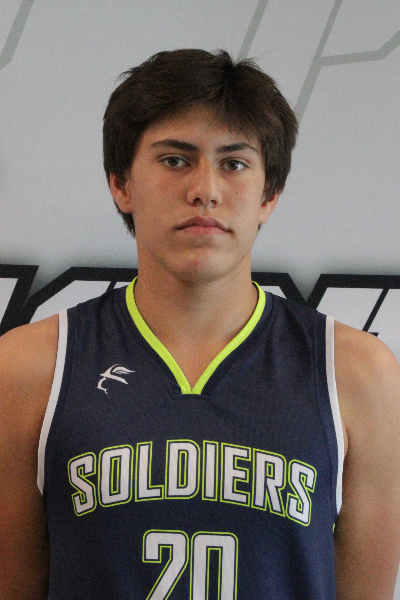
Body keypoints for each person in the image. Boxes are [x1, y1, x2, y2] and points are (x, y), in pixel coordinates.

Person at [1, 48, 400, 600]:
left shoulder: (356, 373)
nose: (205, 189)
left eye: (234, 164)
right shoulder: (30, 367)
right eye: (174, 160)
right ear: (120, 183)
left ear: (269, 194)